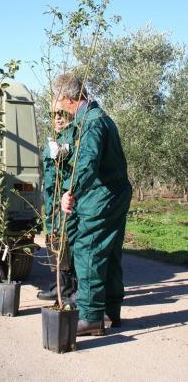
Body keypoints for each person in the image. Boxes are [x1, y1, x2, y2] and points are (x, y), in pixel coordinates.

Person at [54, 73, 132, 336]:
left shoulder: (90, 123)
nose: (58, 105)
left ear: (66, 98)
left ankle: (90, 317)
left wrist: (70, 191)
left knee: (88, 249)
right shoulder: (102, 118)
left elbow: (87, 163)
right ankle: (111, 311)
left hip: (102, 195)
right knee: (109, 251)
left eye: (58, 99)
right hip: (116, 192)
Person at [37, 102, 77, 303]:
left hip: (64, 199)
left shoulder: (73, 136)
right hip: (52, 199)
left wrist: (66, 150)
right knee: (53, 239)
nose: (58, 119)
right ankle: (59, 285)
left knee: (65, 240)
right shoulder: (54, 138)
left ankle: (70, 289)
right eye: (54, 115)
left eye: (61, 114)